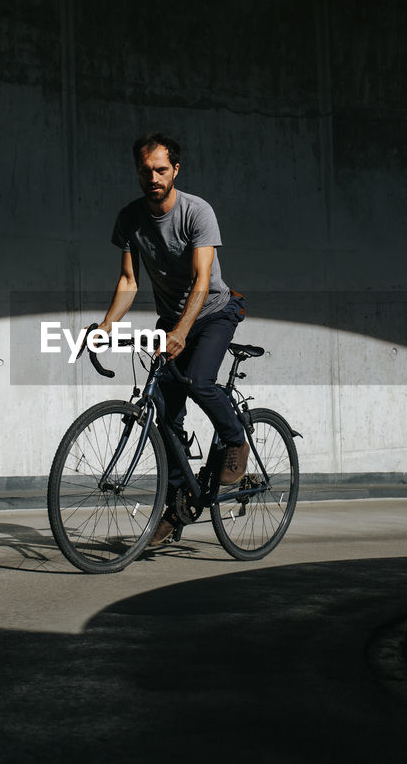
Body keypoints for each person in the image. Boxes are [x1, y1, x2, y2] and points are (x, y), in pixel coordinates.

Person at [94, 133, 249, 545]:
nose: (153, 177)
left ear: (175, 170)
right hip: (172, 319)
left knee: (198, 381)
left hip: (215, 311)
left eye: (161, 170)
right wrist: (107, 324)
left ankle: (236, 440)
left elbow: (202, 280)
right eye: (145, 171)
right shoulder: (130, 219)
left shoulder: (197, 212)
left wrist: (181, 331)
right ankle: (180, 501)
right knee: (163, 410)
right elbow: (129, 280)